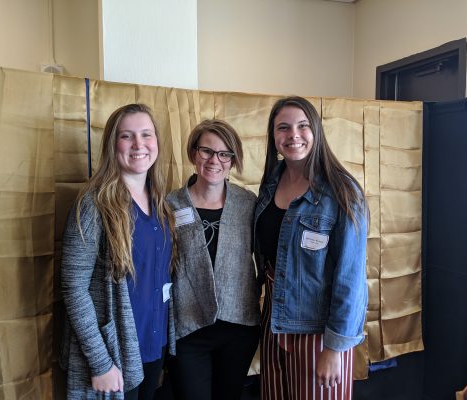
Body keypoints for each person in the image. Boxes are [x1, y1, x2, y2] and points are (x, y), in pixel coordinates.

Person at [255, 96, 368, 400]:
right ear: (273, 136)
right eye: (283, 128)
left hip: (318, 333)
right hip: (274, 324)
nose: (293, 135)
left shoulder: (343, 192)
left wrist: (334, 348)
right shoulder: (269, 185)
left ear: (316, 131)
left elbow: (351, 279)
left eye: (302, 126)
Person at [60, 103, 175, 399]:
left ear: (157, 142)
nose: (139, 144)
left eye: (146, 135)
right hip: (114, 354)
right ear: (113, 145)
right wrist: (100, 363)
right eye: (127, 136)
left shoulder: (162, 203)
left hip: (154, 345)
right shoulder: (93, 204)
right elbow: (74, 288)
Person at [166, 119, 260, 400]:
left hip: (238, 325)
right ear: (194, 153)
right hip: (188, 327)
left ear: (233, 160)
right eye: (206, 151)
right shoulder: (170, 204)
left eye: (224, 154)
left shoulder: (248, 203)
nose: (214, 160)